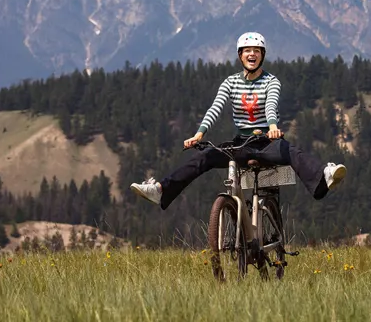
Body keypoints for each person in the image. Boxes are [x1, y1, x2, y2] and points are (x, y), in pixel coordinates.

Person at [131, 31, 347, 209]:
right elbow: (216, 107)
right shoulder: (230, 82)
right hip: (241, 144)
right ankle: (161, 190)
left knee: (290, 151)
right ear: (240, 55)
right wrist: (199, 134)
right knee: (203, 158)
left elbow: (270, 105)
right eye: (247, 51)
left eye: (256, 51)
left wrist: (272, 128)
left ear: (262, 55)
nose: (251, 54)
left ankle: (324, 176)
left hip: (267, 142)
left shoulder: (272, 81)